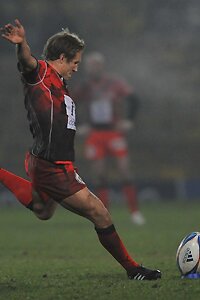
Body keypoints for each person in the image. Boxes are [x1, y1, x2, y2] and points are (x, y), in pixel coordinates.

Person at [0, 19, 161, 280]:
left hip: (45, 161)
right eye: (75, 62)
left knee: (43, 211)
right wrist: (21, 45)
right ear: (61, 57)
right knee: (99, 212)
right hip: (53, 166)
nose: (77, 68)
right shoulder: (40, 73)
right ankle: (133, 270)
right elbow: (27, 62)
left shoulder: (62, 83)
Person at [73, 52, 145, 225]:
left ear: (102, 66)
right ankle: (104, 213)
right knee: (99, 174)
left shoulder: (114, 83)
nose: (94, 68)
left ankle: (135, 212)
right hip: (95, 134)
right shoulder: (85, 86)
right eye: (90, 65)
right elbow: (69, 103)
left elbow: (134, 99)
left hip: (113, 132)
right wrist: (80, 124)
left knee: (124, 169)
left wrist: (129, 121)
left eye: (96, 65)